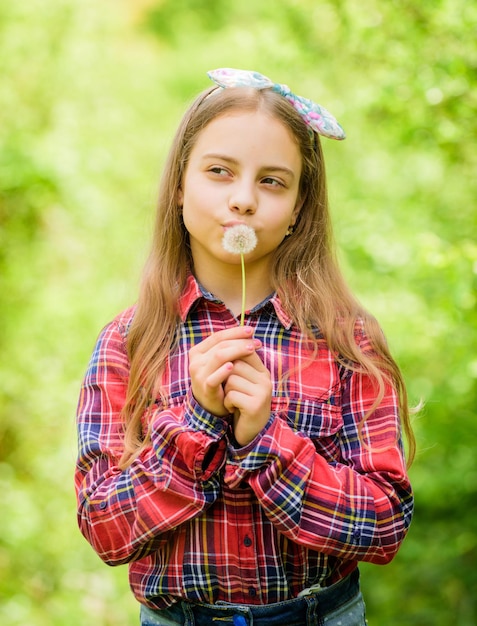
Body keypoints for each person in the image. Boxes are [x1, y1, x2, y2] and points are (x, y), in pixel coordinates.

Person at [75, 68, 415, 626]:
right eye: (219, 172)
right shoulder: (129, 344)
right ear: (180, 185)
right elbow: (106, 531)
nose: (243, 199)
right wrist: (197, 423)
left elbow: (383, 526)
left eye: (272, 181)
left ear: (300, 207)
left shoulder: (346, 340)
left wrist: (268, 440)